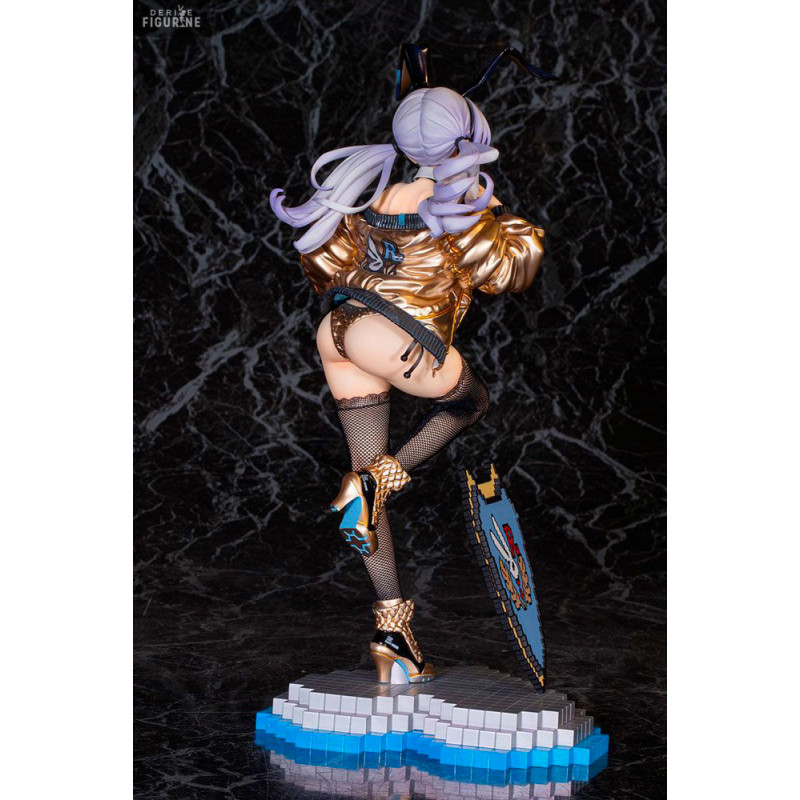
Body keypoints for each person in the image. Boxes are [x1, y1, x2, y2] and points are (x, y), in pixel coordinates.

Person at [271, 85, 544, 685]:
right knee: (469, 401)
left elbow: (326, 263)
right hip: (394, 335)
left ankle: (394, 634)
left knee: (366, 504)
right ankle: (376, 481)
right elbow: (507, 272)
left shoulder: (373, 193)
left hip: (338, 331)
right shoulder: (459, 205)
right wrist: (487, 210)